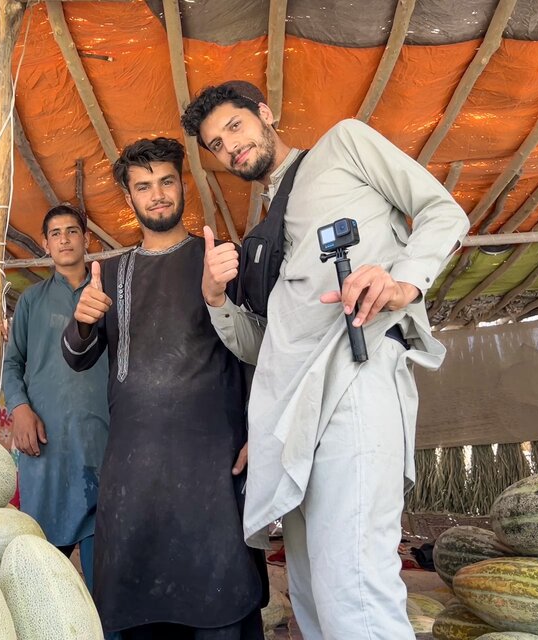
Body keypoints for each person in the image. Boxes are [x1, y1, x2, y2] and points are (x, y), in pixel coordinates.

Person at [182, 81, 470, 639]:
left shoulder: (344, 145)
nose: (230, 147)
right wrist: (216, 300)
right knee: (311, 595)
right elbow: (261, 345)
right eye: (217, 144)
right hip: (290, 422)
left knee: (354, 587)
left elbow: (442, 211)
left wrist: (403, 281)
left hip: (352, 382)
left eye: (235, 127)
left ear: (265, 115)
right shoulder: (261, 237)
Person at [62, 138, 267, 640]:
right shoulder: (108, 272)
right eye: (143, 186)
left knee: (220, 603)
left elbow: (261, 353)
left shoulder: (219, 260)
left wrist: (259, 432)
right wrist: (82, 323)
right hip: (133, 472)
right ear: (129, 199)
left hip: (212, 467)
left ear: (183, 185)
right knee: (132, 603)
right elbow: (77, 357)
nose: (157, 195)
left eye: (166, 182)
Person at [1, 204, 109, 592]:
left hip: (102, 446)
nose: (65, 239)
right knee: (42, 580)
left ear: (86, 239)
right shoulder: (31, 300)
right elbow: (11, 363)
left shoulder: (106, 298)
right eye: (56, 233)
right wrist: (21, 408)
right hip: (45, 446)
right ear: (46, 244)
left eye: (72, 231)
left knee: (106, 582)